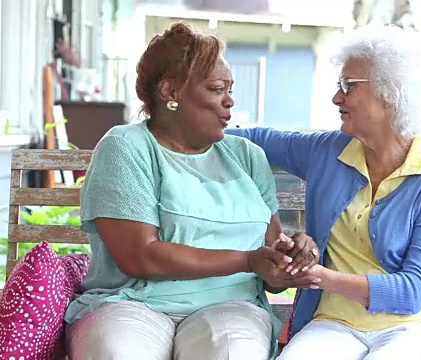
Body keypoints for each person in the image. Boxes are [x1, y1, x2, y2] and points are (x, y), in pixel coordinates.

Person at [63, 22, 319, 360]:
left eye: (230, 88)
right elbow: (140, 256)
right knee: (118, 352)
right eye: (216, 89)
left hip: (232, 305)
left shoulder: (247, 157)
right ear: (170, 92)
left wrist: (289, 257)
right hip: (135, 303)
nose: (230, 101)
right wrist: (246, 260)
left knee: (234, 354)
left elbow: (271, 268)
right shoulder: (126, 147)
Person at [226, 24, 421, 360]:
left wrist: (322, 277)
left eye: (347, 86)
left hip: (420, 325)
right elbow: (256, 140)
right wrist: (197, 122)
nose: (336, 98)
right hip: (334, 323)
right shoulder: (327, 151)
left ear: (389, 93)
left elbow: (414, 291)